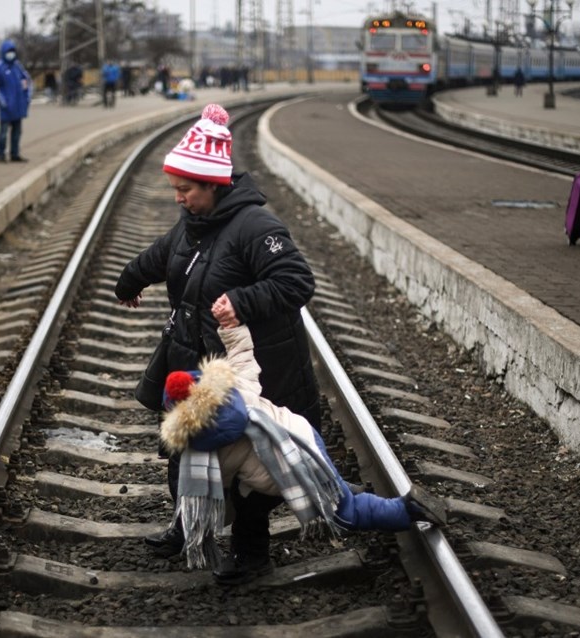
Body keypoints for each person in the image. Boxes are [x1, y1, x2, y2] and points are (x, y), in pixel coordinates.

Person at [115, 104, 321, 564]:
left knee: (251, 465)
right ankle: (186, 527)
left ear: (213, 184)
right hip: (197, 361)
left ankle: (251, 553)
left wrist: (243, 301)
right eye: (175, 189)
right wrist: (129, 281)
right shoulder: (195, 223)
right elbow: (161, 255)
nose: (178, 198)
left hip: (255, 368)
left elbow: (297, 282)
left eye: (185, 189)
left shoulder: (256, 226)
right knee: (184, 448)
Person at [159, 322, 448, 584]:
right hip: (298, 432)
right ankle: (336, 488)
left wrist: (193, 530)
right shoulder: (231, 388)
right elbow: (242, 356)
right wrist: (231, 327)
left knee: (344, 514)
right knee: (250, 498)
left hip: (295, 464)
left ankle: (407, 508)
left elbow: (215, 503)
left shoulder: (209, 448)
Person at [0, 40, 32, 163]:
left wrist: (26, 98)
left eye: (12, 51)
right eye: (8, 52)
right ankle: (1, 153)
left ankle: (15, 154)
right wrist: (2, 101)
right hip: (6, 107)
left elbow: (26, 82)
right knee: (4, 133)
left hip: (18, 106)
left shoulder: (18, 67)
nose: (10, 54)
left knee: (17, 132)